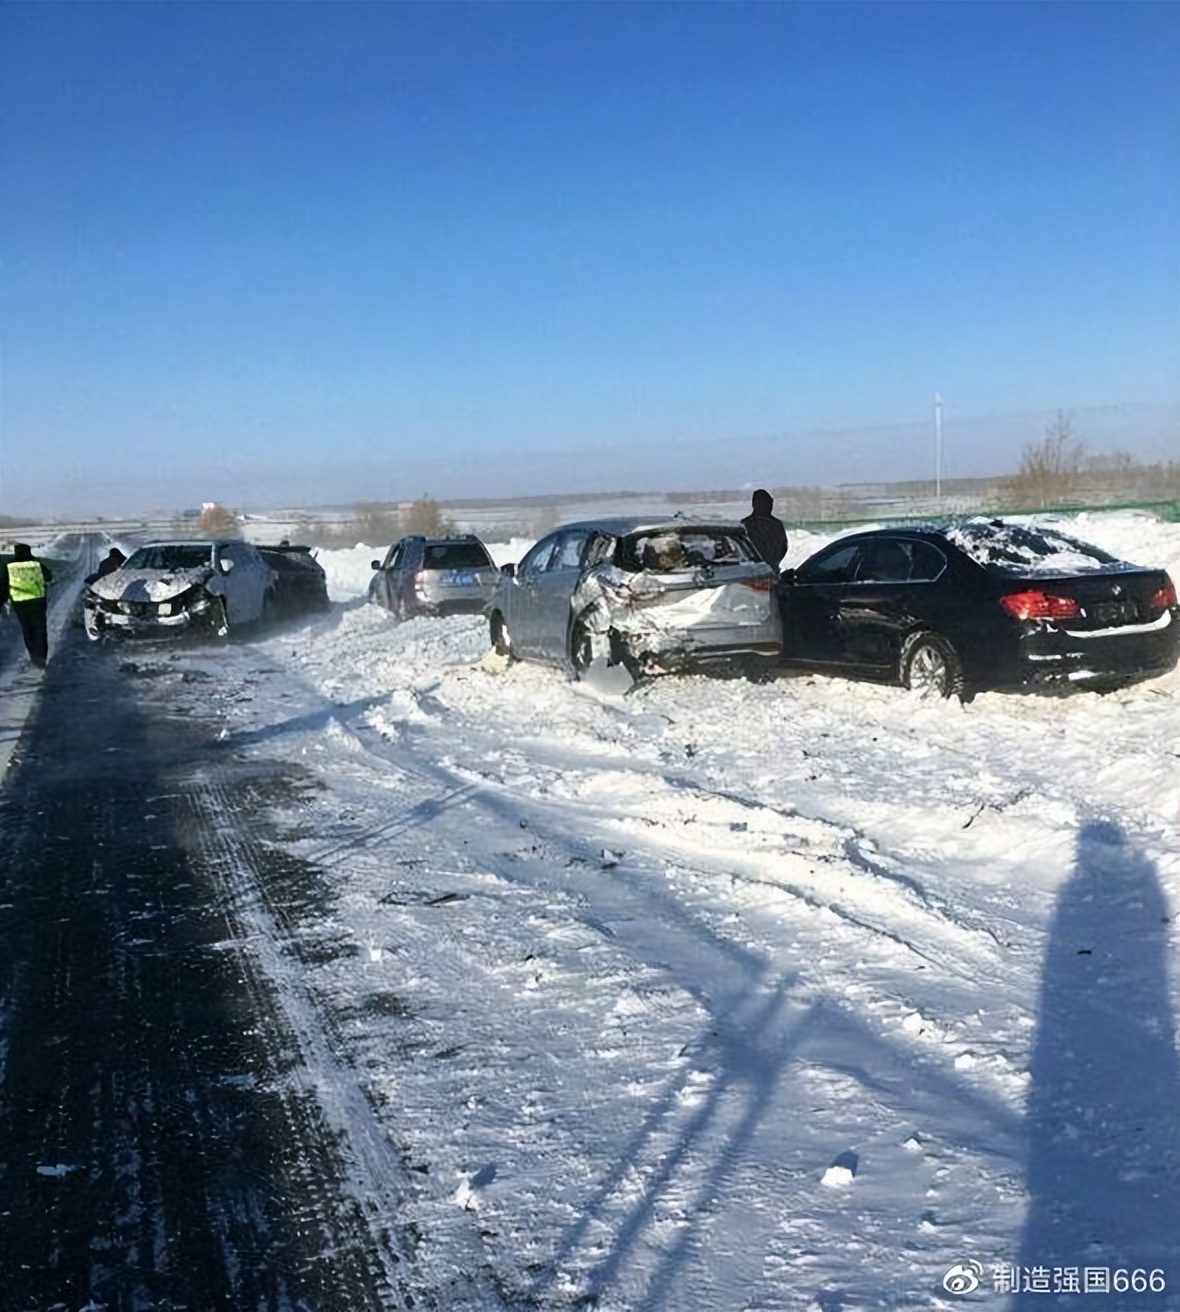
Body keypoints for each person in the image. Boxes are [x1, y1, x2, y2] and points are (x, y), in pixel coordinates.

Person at [1, 542, 54, 668]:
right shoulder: (36, 563)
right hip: (37, 600)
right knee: (40, 629)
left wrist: (1, 602)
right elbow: (48, 577)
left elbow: (3, 586)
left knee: (27, 629)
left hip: (20, 603)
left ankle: (33, 657)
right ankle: (42, 658)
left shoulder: (9, 566)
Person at [741, 488, 788, 571]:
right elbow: (783, 547)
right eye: (767, 503)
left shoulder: (745, 524)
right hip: (754, 568)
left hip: (766, 567)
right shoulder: (746, 525)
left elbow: (783, 547)